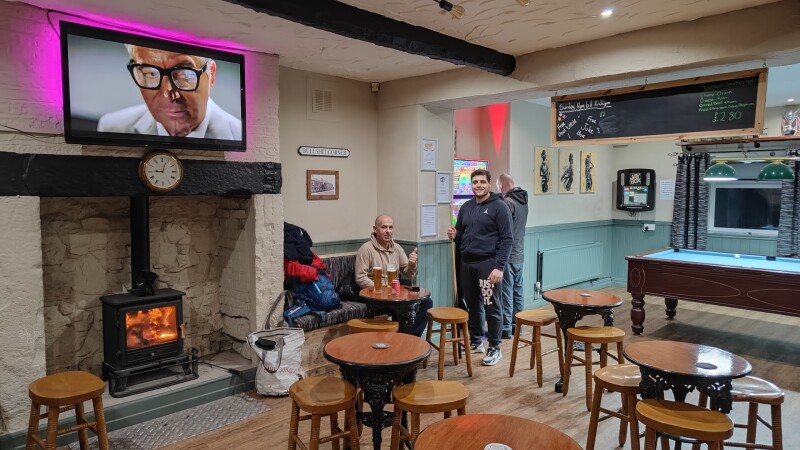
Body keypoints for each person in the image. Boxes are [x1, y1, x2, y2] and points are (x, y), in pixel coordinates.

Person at [98, 44, 241, 140]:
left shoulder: (239, 135)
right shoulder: (111, 128)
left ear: (212, 75)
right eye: (151, 74)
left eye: (185, 74)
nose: (169, 94)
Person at [447, 169, 512, 366]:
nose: (478, 185)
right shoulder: (466, 207)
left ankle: (495, 348)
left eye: (482, 182)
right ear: (471, 184)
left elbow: (507, 239)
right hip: (467, 263)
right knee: (473, 304)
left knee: (491, 306)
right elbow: (462, 233)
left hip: (488, 264)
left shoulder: (499, 207)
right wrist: (455, 235)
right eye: (475, 182)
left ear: (489, 184)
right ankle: (476, 341)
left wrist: (499, 267)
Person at [354, 215, 432, 336]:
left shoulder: (397, 248)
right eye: (384, 227)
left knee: (426, 302)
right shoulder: (366, 249)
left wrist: (412, 264)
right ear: (375, 229)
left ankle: (411, 338)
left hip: (394, 294)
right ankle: (403, 339)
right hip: (375, 297)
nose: (388, 231)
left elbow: (408, 272)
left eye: (390, 227)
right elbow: (360, 278)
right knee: (402, 307)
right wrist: (381, 289)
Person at [496, 173, 529, 340]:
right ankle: (518, 326)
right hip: (520, 253)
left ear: (502, 186)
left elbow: (502, 229)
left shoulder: (507, 202)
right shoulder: (523, 200)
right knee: (518, 291)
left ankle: (505, 328)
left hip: (508, 255)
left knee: (506, 293)